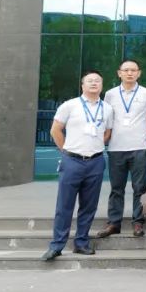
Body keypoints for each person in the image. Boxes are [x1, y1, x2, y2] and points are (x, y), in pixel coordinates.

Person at [42, 70, 115, 262]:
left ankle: (81, 242)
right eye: (90, 81)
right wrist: (66, 150)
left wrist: (95, 146)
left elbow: (107, 133)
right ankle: (57, 245)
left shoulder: (107, 109)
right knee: (64, 205)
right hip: (72, 161)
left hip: (95, 161)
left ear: (102, 85)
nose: (94, 83)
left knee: (89, 206)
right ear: (82, 85)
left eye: (97, 81)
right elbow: (55, 130)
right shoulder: (70, 105)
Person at [97, 59, 146, 239]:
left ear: (139, 73)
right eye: (126, 70)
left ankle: (138, 222)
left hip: (139, 147)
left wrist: (140, 133)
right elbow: (107, 119)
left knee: (139, 187)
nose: (130, 73)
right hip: (116, 147)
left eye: (133, 70)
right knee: (116, 188)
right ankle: (114, 223)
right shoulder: (110, 94)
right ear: (119, 73)